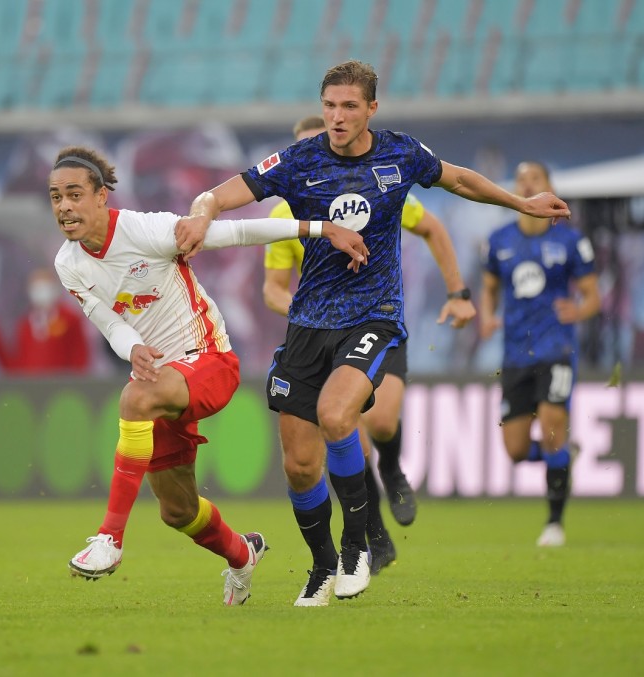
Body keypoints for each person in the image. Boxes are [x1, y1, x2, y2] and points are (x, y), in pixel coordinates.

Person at [176, 60, 570, 606]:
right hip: (309, 322)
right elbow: (224, 195)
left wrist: (519, 202)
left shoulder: (400, 153)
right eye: (330, 106)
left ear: (371, 110)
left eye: (349, 107)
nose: (337, 117)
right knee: (298, 463)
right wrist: (201, 213)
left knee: (341, 416)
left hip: (373, 314)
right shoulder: (298, 161)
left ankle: (357, 545)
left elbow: (457, 179)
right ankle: (321, 567)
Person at [49, 145, 366, 606]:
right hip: (164, 378)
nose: (64, 207)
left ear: (101, 197)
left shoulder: (145, 230)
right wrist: (132, 346)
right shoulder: (68, 263)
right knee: (177, 511)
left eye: (74, 195)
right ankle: (242, 554)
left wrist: (321, 228)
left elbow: (235, 232)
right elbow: (109, 322)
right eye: (56, 197)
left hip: (209, 361)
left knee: (134, 400)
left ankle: (109, 539)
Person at [262, 115, 477, 575]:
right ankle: (374, 539)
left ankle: (394, 469)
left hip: (376, 320)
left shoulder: (374, 186)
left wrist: (458, 292)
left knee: (379, 423)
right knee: (347, 435)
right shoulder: (285, 218)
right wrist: (307, 315)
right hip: (322, 334)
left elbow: (434, 228)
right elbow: (273, 289)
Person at [479, 161, 599, 547]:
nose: (527, 184)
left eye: (535, 179)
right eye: (520, 180)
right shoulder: (499, 239)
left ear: (550, 188)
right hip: (515, 352)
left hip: (556, 347)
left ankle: (554, 523)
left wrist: (578, 310)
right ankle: (563, 455)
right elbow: (490, 287)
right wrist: (487, 315)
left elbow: (593, 296)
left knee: (550, 423)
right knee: (515, 450)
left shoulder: (570, 240)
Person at [10, 267, 92, 375]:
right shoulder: (25, 323)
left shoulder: (70, 318)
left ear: (55, 289)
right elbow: (20, 356)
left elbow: (79, 353)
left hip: (62, 382)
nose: (40, 292)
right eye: (36, 288)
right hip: (31, 382)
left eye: (45, 287)